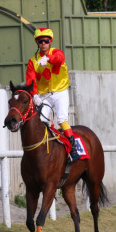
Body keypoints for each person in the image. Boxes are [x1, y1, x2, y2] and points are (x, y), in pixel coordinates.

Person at [25, 27, 80, 162]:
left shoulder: (56, 52)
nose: (43, 43)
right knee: (42, 121)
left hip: (60, 91)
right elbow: (31, 80)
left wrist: (48, 58)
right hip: (45, 95)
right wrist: (35, 95)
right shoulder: (33, 61)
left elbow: (59, 59)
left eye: (46, 40)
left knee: (61, 119)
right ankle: (45, 149)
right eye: (40, 41)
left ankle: (73, 149)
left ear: (50, 41)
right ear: (37, 42)